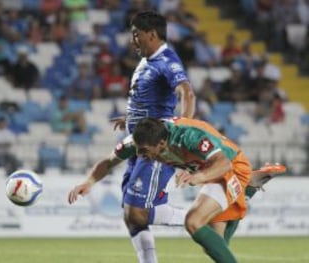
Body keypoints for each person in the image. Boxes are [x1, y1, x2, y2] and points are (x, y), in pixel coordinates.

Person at [68, 117, 286, 262]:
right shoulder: (141, 140)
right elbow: (108, 161)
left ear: (162, 143)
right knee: (216, 245)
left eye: (145, 151)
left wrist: (197, 177)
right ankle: (249, 188)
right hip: (205, 172)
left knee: (193, 222)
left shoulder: (189, 137)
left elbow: (223, 164)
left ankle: (247, 184)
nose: (141, 155)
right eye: (138, 150)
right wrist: (88, 182)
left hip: (229, 168)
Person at [102, 10, 196, 263]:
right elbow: (151, 99)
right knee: (130, 214)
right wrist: (130, 119)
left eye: (136, 35)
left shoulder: (167, 60)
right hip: (138, 141)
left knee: (137, 212)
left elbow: (187, 93)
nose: (133, 40)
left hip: (154, 146)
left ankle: (201, 216)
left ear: (151, 34)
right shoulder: (147, 60)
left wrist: (182, 129)